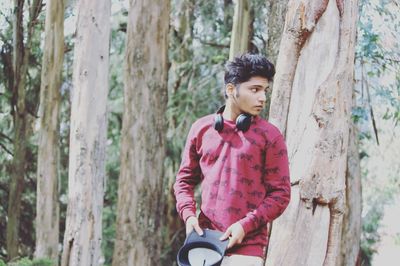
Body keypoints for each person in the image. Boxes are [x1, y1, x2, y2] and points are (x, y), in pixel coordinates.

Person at [173, 53, 291, 266]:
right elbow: (184, 181)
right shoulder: (201, 129)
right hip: (202, 244)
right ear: (230, 90)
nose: (262, 97)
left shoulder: (270, 136)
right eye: (254, 90)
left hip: (246, 249)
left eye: (264, 90)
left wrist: (245, 226)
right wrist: (189, 215)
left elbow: (281, 194)